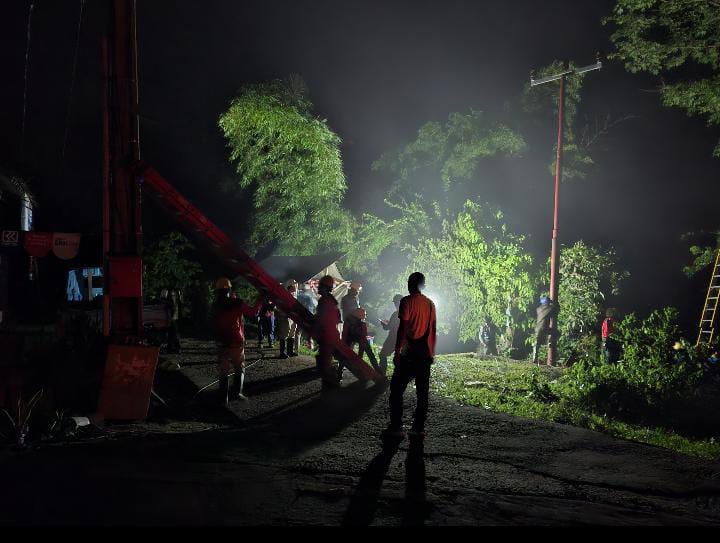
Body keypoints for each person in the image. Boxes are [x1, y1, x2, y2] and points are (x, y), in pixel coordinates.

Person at [384, 272, 437, 442]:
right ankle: (418, 429)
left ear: (410, 284)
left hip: (409, 352)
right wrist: (431, 352)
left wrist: (398, 351)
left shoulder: (406, 302)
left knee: (397, 389)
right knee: (422, 393)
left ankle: (397, 427)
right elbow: (432, 330)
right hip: (424, 353)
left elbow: (403, 329)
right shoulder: (430, 304)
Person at [213, 278, 263, 405]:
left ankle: (223, 399)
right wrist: (260, 299)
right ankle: (237, 393)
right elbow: (254, 312)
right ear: (229, 289)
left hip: (221, 341)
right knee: (239, 367)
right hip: (236, 340)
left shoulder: (215, 305)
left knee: (223, 370)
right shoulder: (237, 303)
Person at [313, 275, 342, 391]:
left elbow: (321, 319)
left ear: (325, 287)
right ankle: (329, 388)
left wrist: (313, 332)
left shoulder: (324, 301)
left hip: (327, 336)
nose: (318, 287)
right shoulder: (331, 301)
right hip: (330, 335)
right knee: (323, 361)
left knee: (324, 364)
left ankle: (333, 389)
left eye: (320, 285)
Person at [338, 307, 382, 381]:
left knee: (347, 356)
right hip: (352, 338)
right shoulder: (356, 322)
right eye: (364, 314)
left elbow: (348, 333)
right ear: (359, 314)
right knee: (370, 355)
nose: (365, 316)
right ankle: (377, 371)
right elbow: (348, 333)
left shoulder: (352, 321)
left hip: (354, 338)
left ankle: (341, 372)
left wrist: (343, 342)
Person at [378, 294, 404, 375]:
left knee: (383, 354)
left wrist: (383, 323)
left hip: (393, 338)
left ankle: (382, 374)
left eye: (395, 303)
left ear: (396, 303)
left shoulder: (396, 314)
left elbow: (388, 327)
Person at [532, 296, 560, 365]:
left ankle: (534, 358)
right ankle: (550, 342)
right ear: (547, 302)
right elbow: (557, 309)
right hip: (544, 328)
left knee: (537, 343)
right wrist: (554, 303)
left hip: (537, 328)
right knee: (556, 333)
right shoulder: (549, 308)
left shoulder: (538, 309)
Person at [161, 287, 183, 354]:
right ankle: (172, 348)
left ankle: (175, 348)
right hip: (172, 314)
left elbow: (176, 303)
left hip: (173, 315)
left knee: (173, 331)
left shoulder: (171, 291)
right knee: (172, 332)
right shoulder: (172, 290)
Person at [297, 282, 319, 350]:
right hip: (309, 316)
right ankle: (310, 347)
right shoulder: (310, 297)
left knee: (298, 333)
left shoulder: (299, 295)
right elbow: (315, 306)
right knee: (309, 333)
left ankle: (296, 348)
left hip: (301, 315)